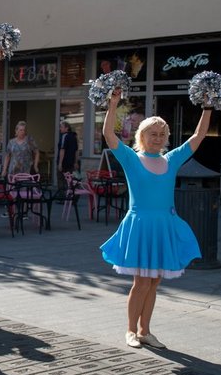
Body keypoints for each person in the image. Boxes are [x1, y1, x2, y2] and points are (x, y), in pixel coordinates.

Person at [100, 91, 210, 350]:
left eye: (162, 135)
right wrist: (113, 105)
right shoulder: (131, 159)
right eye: (153, 134)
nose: (157, 138)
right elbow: (108, 135)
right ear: (142, 137)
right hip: (140, 227)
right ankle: (130, 331)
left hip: (164, 226)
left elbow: (198, 137)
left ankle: (145, 331)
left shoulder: (170, 160)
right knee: (141, 282)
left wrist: (207, 107)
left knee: (154, 282)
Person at [57, 120, 79, 186]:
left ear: (66, 128)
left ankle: (62, 195)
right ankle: (71, 194)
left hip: (64, 163)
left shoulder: (64, 136)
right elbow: (76, 151)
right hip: (71, 163)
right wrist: (76, 162)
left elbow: (62, 150)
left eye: (61, 127)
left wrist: (60, 163)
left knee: (61, 180)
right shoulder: (74, 137)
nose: (60, 129)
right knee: (70, 181)